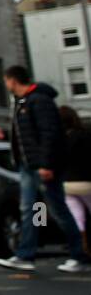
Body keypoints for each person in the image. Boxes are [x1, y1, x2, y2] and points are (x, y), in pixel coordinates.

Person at [0, 67, 91, 272]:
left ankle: (78, 255)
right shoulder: (23, 103)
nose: (6, 86)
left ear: (12, 80)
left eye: (6, 81)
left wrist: (46, 164)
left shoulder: (38, 100)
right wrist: (6, 136)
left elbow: (48, 133)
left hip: (40, 166)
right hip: (29, 165)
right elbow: (29, 136)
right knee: (33, 209)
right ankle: (27, 253)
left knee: (57, 209)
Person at [57, 106, 91, 261]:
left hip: (66, 184)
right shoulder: (85, 135)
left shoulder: (58, 140)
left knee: (77, 219)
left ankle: (81, 250)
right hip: (86, 182)